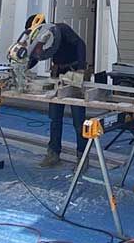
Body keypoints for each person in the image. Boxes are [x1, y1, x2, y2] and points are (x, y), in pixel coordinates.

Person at [20, 13, 89, 168]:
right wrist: (23, 68)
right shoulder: (41, 39)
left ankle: (82, 157)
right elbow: (34, 56)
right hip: (57, 75)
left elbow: (80, 44)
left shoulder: (62, 29)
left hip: (74, 74)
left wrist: (81, 69)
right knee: (55, 118)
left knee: (79, 120)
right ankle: (53, 153)